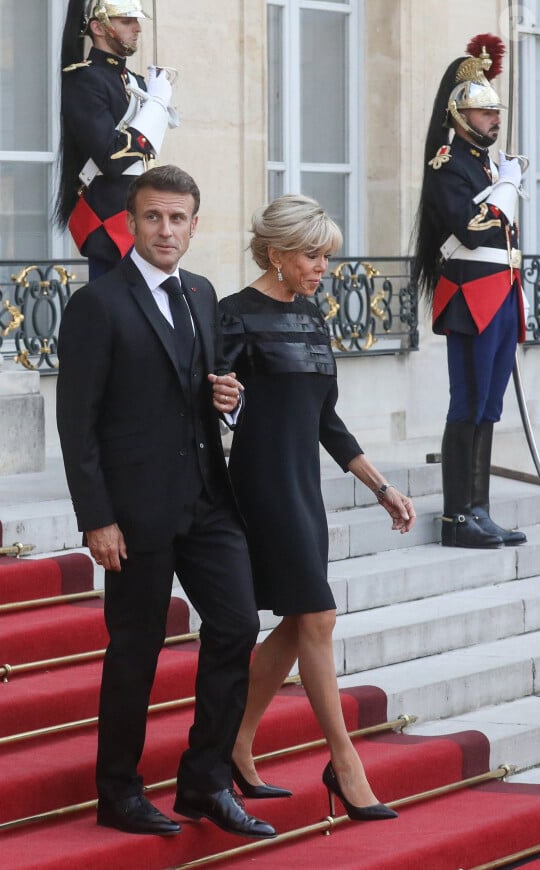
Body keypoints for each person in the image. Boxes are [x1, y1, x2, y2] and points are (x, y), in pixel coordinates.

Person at [56, 164, 276, 841]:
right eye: (153, 217)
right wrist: (96, 517)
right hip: (135, 512)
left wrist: (226, 400)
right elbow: (77, 421)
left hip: (207, 502)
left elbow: (204, 387)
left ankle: (205, 779)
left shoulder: (203, 293)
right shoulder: (99, 303)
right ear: (131, 221)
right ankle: (117, 791)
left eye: (178, 218)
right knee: (137, 651)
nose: (166, 229)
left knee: (237, 625)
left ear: (193, 224)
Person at [218, 193, 416, 821]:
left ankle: (235, 745)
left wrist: (381, 487)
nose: (322, 267)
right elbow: (207, 403)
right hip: (259, 483)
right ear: (275, 253)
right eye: (312, 255)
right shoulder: (231, 316)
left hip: (303, 484)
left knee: (307, 620)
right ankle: (345, 762)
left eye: (326, 256)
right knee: (318, 616)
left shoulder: (311, 318)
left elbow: (325, 419)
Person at [413, 33, 527, 549]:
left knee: (490, 407)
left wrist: (501, 181)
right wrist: (506, 187)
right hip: (470, 296)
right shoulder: (447, 163)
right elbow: (474, 228)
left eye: (495, 113)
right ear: (461, 117)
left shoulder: (483, 164)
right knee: (469, 402)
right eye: (484, 114)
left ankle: (479, 509)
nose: (494, 120)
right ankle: (457, 517)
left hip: (501, 293)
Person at [55, 0, 178, 280]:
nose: (137, 28)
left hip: (144, 209)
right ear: (99, 27)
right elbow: (110, 159)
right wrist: (157, 103)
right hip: (110, 219)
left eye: (136, 21)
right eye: (126, 21)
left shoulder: (136, 81)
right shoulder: (85, 79)